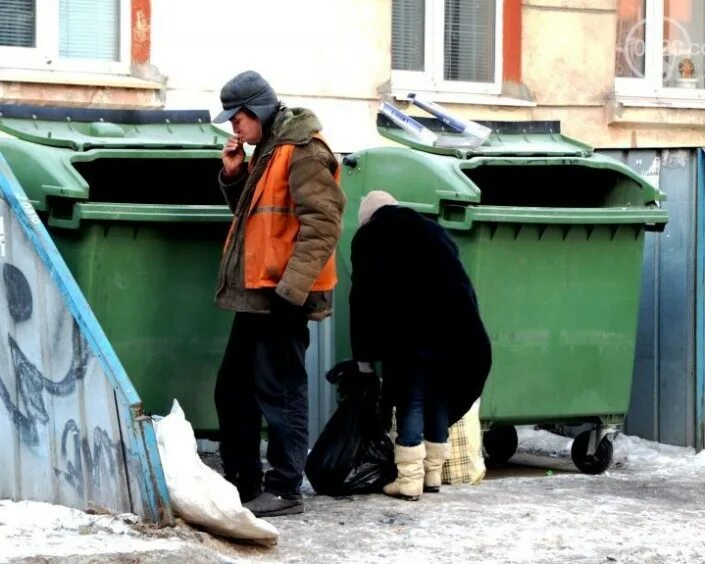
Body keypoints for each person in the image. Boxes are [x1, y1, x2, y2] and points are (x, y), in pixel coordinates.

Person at [211, 70, 345, 517]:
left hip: (282, 296)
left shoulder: (304, 150)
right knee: (232, 389)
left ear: (260, 111)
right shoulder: (268, 151)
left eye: (238, 118)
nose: (234, 127)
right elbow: (258, 221)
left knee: (280, 391)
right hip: (257, 294)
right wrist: (234, 175)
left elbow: (323, 224)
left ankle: (286, 488)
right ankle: (242, 481)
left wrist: (291, 293)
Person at [349, 190, 492, 500]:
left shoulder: (371, 236)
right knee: (437, 397)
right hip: (454, 331)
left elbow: (362, 298)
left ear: (368, 217)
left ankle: (409, 479)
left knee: (411, 399)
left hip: (411, 333)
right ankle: (432, 475)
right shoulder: (432, 229)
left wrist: (363, 357)